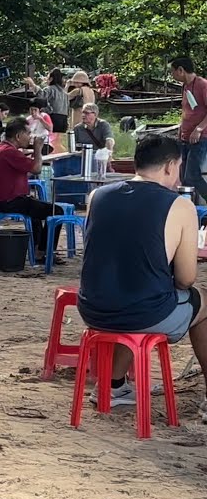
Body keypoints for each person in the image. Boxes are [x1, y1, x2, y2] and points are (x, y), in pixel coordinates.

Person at [78, 134, 207, 406]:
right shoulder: (179, 205)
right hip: (142, 311)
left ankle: (113, 385)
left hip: (93, 308)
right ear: (171, 166)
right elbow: (185, 279)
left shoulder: (97, 196)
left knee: (137, 289)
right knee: (201, 301)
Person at [0, 117, 64, 259]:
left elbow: (23, 168)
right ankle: (44, 251)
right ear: (18, 136)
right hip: (8, 201)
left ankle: (36, 248)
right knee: (56, 211)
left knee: (35, 209)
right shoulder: (9, 152)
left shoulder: (3, 148)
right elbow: (36, 168)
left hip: (2, 199)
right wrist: (38, 150)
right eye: (28, 134)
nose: (30, 137)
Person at [171, 57, 207, 204]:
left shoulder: (203, 85)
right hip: (184, 137)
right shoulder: (185, 86)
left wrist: (199, 128)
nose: (172, 75)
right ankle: (188, 208)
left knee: (192, 175)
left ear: (181, 70)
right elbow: (187, 109)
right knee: (182, 176)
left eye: (173, 72)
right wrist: (181, 129)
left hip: (201, 137)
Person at [24, 68, 69, 141]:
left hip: (53, 118)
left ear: (51, 79)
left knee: (51, 139)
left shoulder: (50, 89)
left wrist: (33, 85)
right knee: (59, 141)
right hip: (64, 119)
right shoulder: (65, 93)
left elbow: (41, 95)